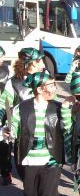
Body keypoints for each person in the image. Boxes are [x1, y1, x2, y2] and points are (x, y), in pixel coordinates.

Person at [3, 72, 63, 196]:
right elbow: (14, 126)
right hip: (30, 159)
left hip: (52, 158)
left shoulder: (58, 107)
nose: (55, 88)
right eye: (51, 85)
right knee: (32, 195)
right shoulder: (21, 108)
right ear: (39, 89)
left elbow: (68, 129)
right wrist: (8, 131)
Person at [0, 47, 46, 185]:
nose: (43, 65)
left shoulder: (45, 79)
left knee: (45, 177)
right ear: (31, 64)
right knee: (25, 173)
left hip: (43, 133)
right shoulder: (13, 83)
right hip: (22, 134)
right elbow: (3, 104)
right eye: (40, 61)